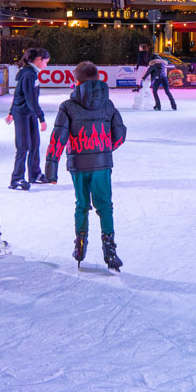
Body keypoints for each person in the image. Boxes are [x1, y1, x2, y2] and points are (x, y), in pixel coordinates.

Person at [47, 60, 128, 270]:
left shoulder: (68, 106)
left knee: (82, 204)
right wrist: (104, 149)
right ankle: (110, 250)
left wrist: (51, 168)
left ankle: (80, 244)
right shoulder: (108, 104)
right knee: (105, 205)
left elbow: (58, 138)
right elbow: (120, 134)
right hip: (101, 164)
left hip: (78, 164)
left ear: (76, 81)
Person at [7, 47, 49, 190]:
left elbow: (20, 94)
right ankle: (17, 178)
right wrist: (41, 117)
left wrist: (11, 111)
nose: (46, 65)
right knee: (23, 146)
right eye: (45, 62)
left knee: (35, 143)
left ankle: (34, 174)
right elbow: (30, 98)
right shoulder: (28, 75)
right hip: (23, 113)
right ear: (38, 60)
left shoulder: (32, 73)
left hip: (28, 112)